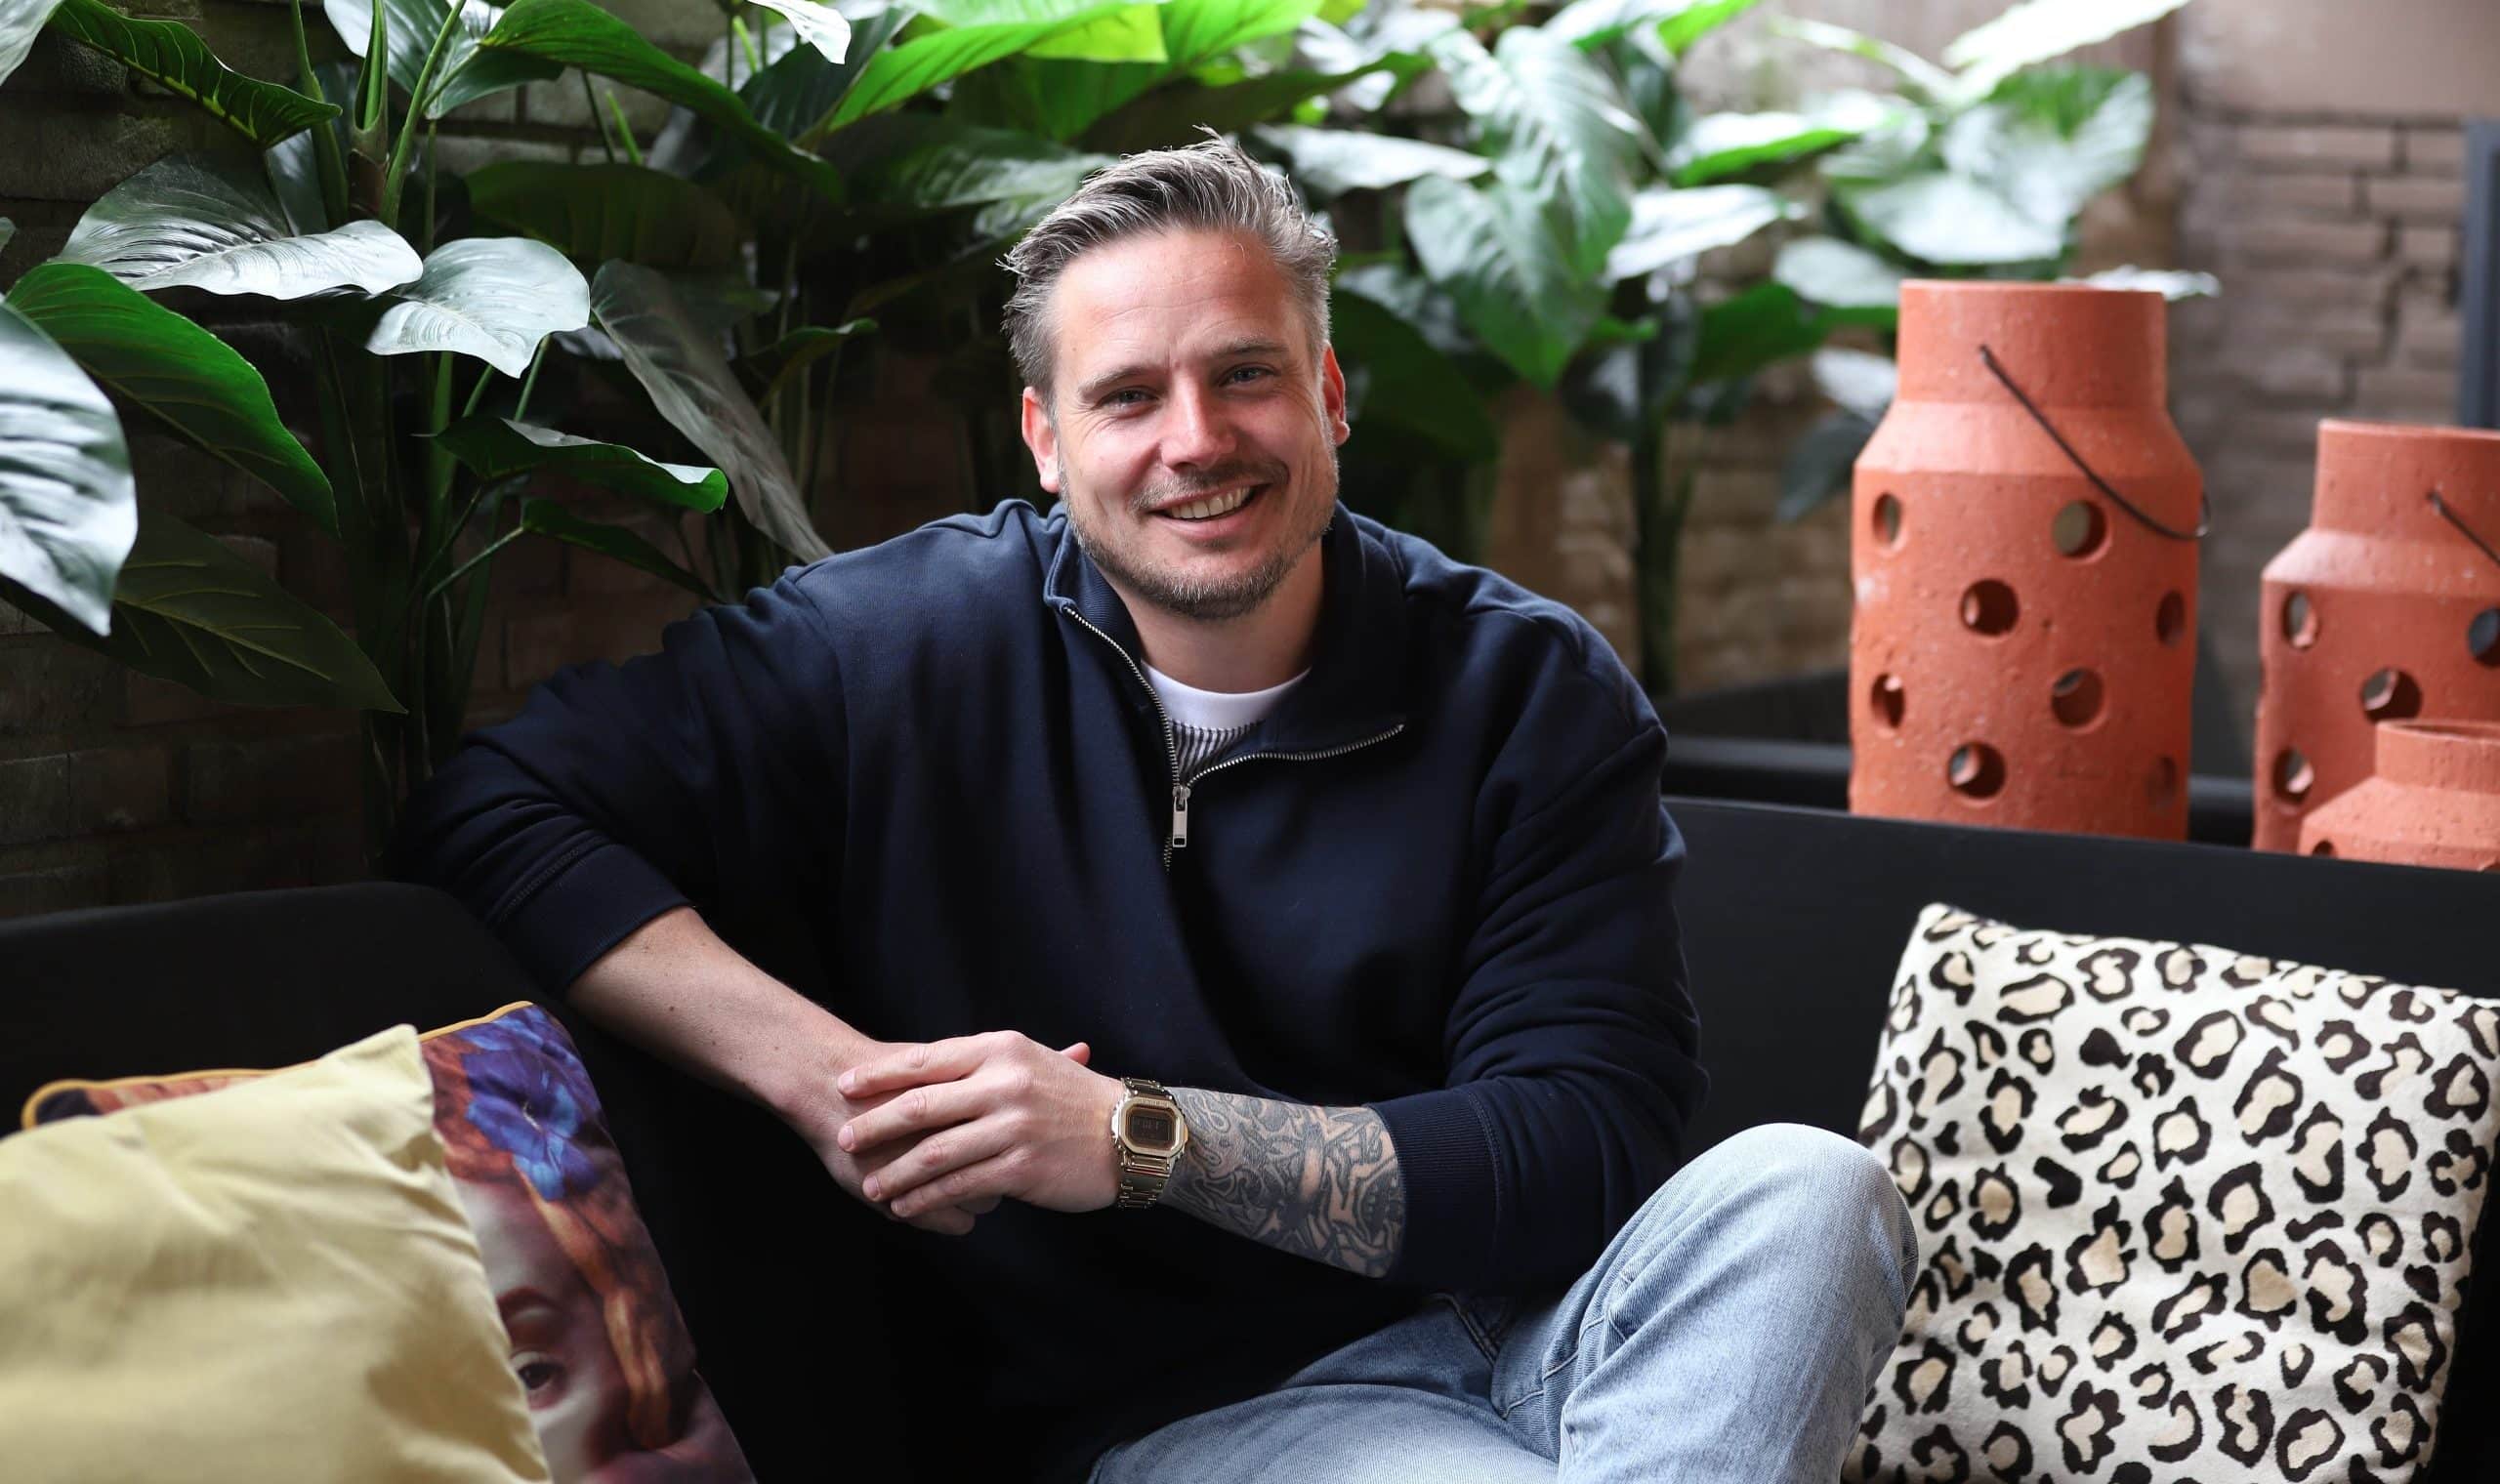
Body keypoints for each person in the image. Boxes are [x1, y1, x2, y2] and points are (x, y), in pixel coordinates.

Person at [392, 134, 1915, 1483]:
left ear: (1327, 395)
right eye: (1128, 396)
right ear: (1048, 443)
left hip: (1555, 1329)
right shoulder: (898, 649)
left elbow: (1581, 1142)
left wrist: (1135, 1138)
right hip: (1228, 1415)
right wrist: (833, 1080)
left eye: (1244, 373)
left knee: (1813, 1187)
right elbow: (498, 802)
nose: (1196, 439)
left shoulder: (1525, 685)